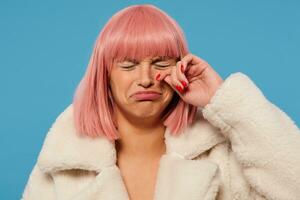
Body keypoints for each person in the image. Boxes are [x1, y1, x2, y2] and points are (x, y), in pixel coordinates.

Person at [21, 4, 300, 200]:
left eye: (160, 62)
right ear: (105, 76)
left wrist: (223, 99)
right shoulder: (63, 161)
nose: (146, 78)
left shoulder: (221, 152)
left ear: (180, 67)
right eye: (128, 65)